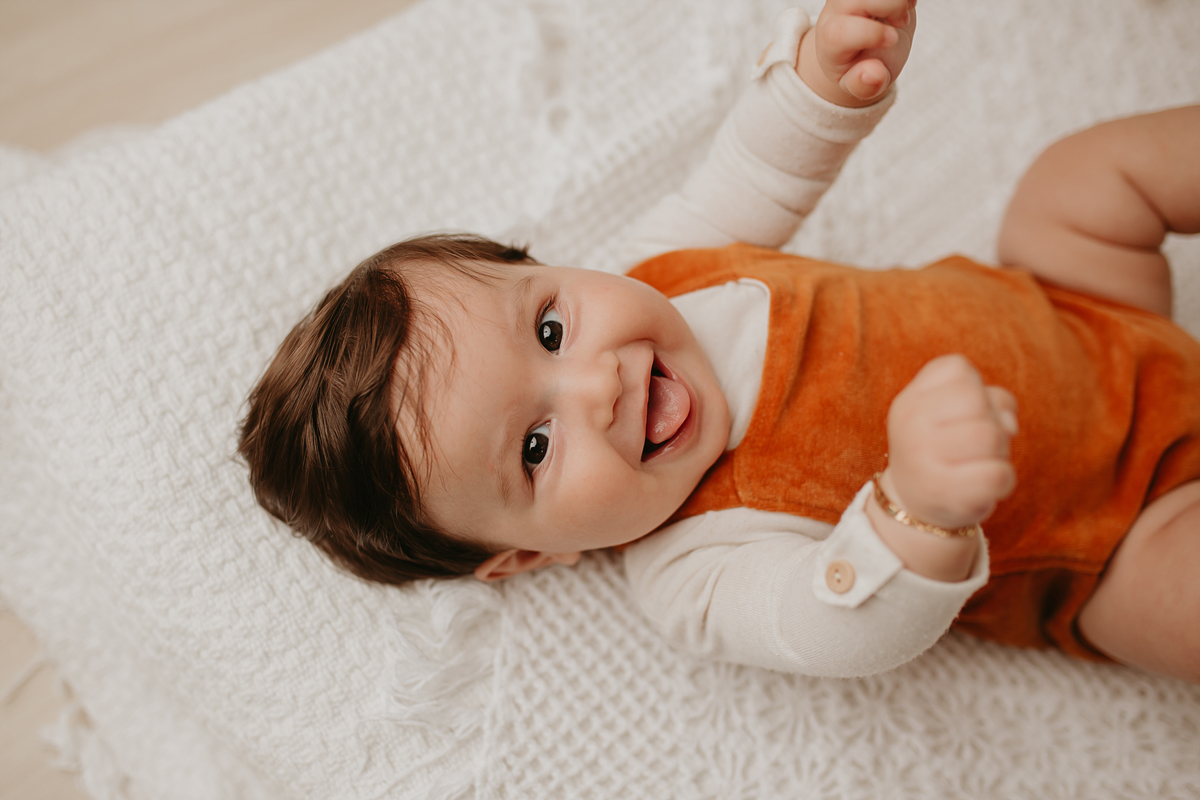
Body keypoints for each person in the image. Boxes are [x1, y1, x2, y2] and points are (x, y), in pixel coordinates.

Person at [238, 0, 1200, 682]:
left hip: (1074, 298)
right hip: (1120, 533)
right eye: (535, 448)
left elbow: (762, 163)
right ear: (525, 558)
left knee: (1081, 179)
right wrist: (918, 513)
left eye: (550, 327)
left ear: (550, 267)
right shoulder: (691, 572)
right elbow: (830, 630)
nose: (596, 389)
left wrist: (826, 76)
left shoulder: (668, 269)